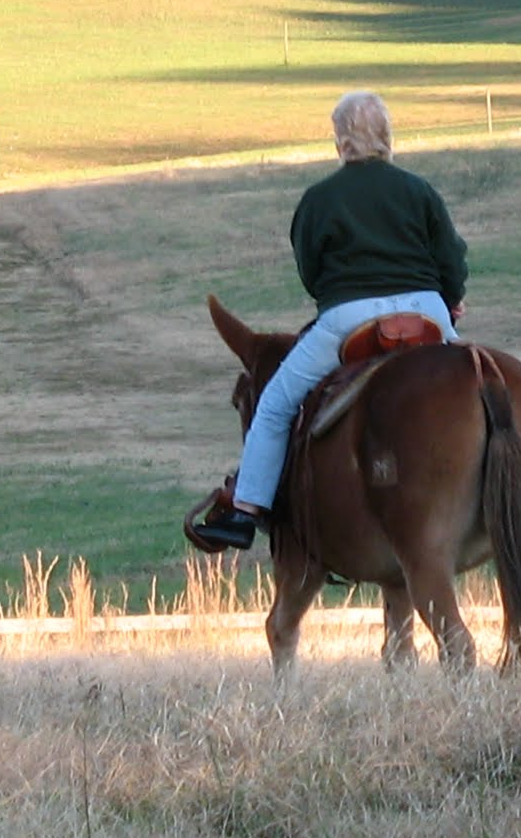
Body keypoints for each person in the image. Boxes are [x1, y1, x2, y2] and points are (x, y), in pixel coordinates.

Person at [190, 90, 468, 551]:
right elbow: (451, 259)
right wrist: (451, 300)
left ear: (341, 142)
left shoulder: (320, 199)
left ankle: (245, 511)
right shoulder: (419, 190)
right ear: (387, 137)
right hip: (426, 312)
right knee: (473, 383)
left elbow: (312, 273)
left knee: (275, 404)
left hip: (350, 317)